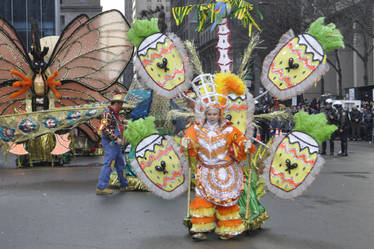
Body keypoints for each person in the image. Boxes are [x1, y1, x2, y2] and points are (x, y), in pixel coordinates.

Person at [181, 104, 254, 241]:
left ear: (219, 115)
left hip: (224, 171)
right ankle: (201, 228)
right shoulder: (196, 128)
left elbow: (240, 140)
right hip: (204, 169)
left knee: (225, 199)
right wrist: (186, 143)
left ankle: (228, 229)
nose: (212, 117)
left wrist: (246, 145)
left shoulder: (228, 129)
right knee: (202, 199)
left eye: (215, 114)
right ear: (205, 115)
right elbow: (189, 139)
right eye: (209, 114)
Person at [96, 91, 129, 195]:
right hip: (111, 144)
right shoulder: (107, 114)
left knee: (120, 165)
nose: (122, 106)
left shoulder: (115, 114)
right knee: (109, 165)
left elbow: (115, 124)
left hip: (116, 145)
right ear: (117, 103)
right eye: (121, 104)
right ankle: (101, 188)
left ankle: (124, 185)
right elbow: (103, 129)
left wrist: (124, 122)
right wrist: (115, 138)